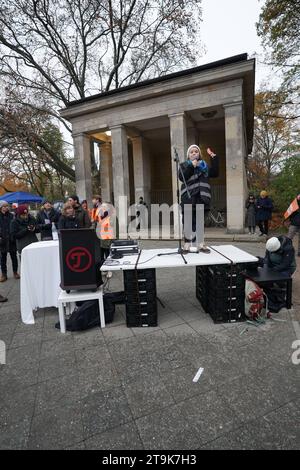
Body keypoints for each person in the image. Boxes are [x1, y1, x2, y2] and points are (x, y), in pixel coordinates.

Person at [179, 145, 219, 253]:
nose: (193, 153)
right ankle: (186, 245)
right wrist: (192, 166)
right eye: (191, 152)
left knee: (199, 223)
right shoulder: (184, 165)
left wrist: (214, 158)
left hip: (201, 198)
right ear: (188, 155)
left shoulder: (204, 166)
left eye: (196, 151)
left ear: (199, 154)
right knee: (187, 222)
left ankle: (201, 244)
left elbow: (215, 173)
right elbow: (182, 177)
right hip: (188, 198)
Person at [0, 201, 19, 281]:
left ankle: (15, 272)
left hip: (11, 239)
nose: (6, 207)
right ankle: (4, 274)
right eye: (4, 206)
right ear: (1, 207)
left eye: (7, 206)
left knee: (14, 257)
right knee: (2, 259)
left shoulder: (12, 216)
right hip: (2, 240)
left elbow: (15, 225)